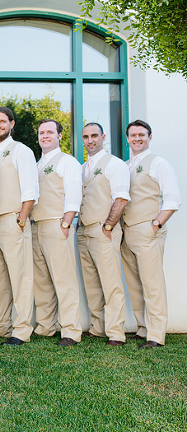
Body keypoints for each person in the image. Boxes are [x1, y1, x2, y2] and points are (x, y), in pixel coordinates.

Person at [121, 120, 177, 349]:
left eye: (141, 135)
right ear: (127, 139)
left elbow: (172, 199)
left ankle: (156, 334)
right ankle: (143, 327)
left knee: (152, 284)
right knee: (134, 283)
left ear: (149, 137)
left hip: (147, 230)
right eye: (133, 135)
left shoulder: (158, 163)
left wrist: (155, 225)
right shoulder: (125, 165)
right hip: (127, 231)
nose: (137, 139)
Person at [28, 120, 83, 346]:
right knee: (42, 281)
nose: (45, 136)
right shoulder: (38, 163)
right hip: (36, 226)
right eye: (42, 133)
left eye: (50, 132)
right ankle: (46, 326)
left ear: (60, 135)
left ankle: (70, 330)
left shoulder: (67, 161)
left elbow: (73, 193)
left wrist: (66, 223)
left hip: (56, 224)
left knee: (64, 279)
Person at [0, 107, 38, 345]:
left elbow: (30, 190)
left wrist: (21, 219)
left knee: (21, 277)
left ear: (12, 124)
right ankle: (1, 326)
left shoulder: (21, 151)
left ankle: (22, 329)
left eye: (3, 121)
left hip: (12, 219)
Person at [75, 122, 130, 345]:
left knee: (111, 282)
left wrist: (108, 226)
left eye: (94, 136)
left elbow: (121, 198)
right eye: (86, 137)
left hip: (103, 230)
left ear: (103, 137)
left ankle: (116, 332)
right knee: (92, 283)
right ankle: (98, 327)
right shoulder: (83, 167)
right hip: (84, 231)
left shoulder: (114, 164)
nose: (90, 140)